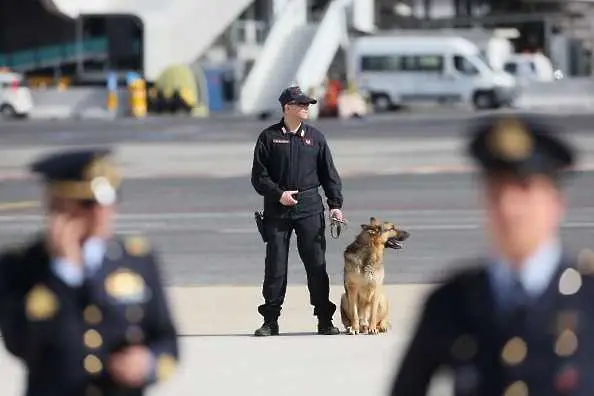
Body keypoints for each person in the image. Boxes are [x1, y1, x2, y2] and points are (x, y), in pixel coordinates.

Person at [389, 113, 594, 395]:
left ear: (557, 202)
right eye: (497, 190)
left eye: (524, 188)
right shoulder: (453, 303)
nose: (509, 207)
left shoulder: (587, 299)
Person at [0, 148, 179, 396]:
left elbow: (166, 341)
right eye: (88, 203)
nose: (102, 213)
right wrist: (63, 274)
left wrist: (147, 363)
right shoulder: (23, 266)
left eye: (110, 201)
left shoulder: (137, 260)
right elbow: (19, 343)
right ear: (57, 206)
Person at [251, 85, 344, 336]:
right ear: (287, 107)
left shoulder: (316, 138)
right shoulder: (269, 137)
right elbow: (258, 177)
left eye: (307, 104)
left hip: (310, 209)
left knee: (316, 264)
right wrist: (278, 194)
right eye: (301, 104)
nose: (306, 108)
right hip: (277, 211)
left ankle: (324, 318)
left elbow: (329, 175)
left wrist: (335, 206)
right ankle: (270, 320)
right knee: (276, 266)